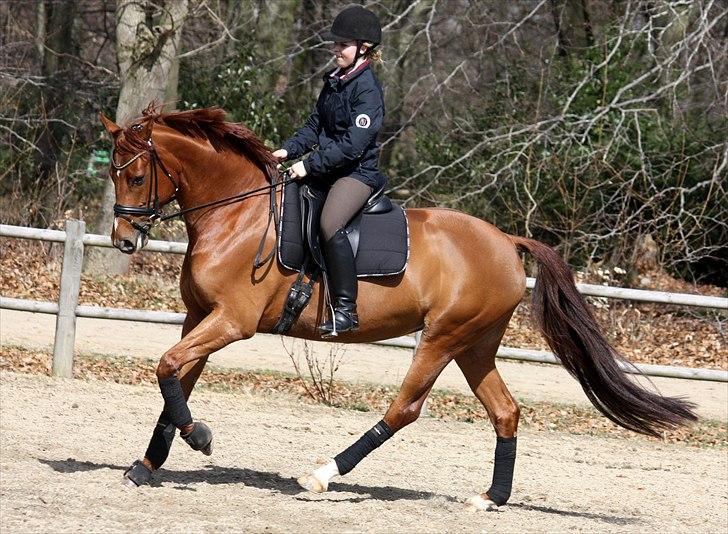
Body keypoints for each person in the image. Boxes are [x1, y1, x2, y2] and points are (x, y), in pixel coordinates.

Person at [273, 5, 386, 337]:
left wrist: (308, 164)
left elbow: (353, 145)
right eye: (335, 44)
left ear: (363, 48)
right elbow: (314, 126)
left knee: (330, 222)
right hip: (328, 168)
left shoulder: (367, 89)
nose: (336, 50)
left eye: (343, 45)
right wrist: (289, 149)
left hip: (356, 173)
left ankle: (346, 310)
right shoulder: (335, 81)